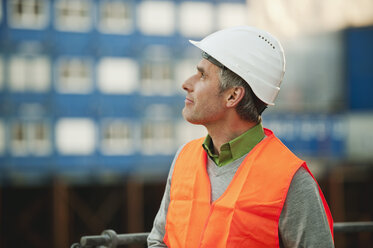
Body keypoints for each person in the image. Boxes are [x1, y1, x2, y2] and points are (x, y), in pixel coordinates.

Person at [147, 26, 334, 248]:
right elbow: (158, 240)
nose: (187, 83)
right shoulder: (183, 159)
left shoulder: (291, 181)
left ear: (233, 95)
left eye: (203, 75)